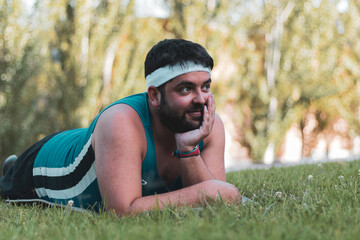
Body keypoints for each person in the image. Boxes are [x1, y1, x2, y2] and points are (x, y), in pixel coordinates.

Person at [0, 39, 240, 215]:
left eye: (205, 87)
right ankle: (13, 167)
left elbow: (216, 198)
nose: (201, 99)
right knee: (11, 180)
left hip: (89, 142)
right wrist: (206, 193)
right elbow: (122, 212)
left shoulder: (209, 124)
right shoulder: (121, 122)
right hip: (44, 164)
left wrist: (188, 149)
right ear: (154, 96)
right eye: (185, 89)